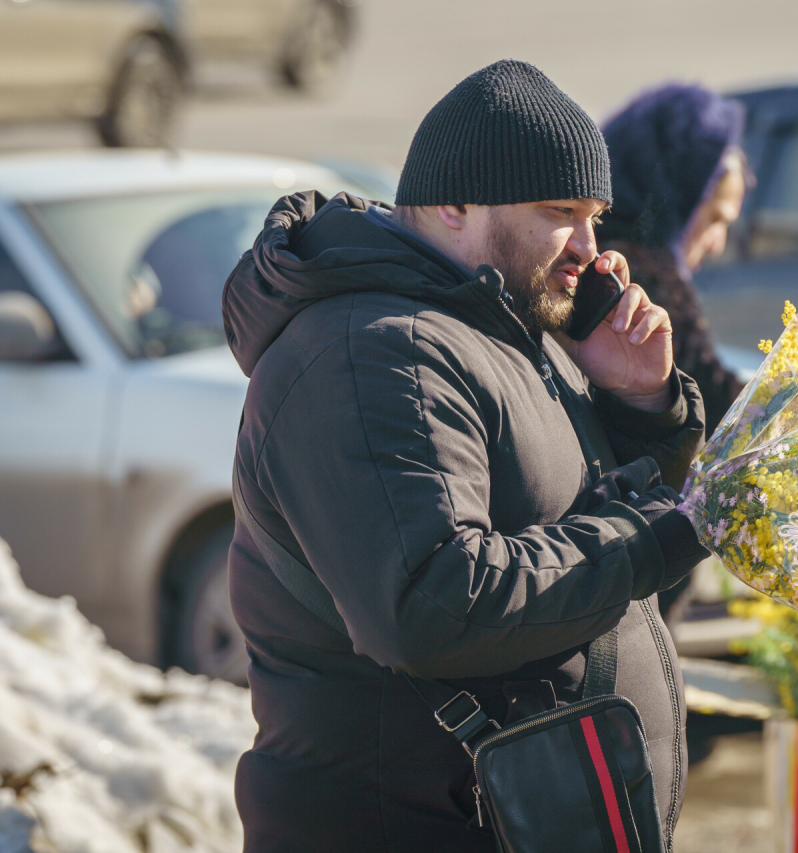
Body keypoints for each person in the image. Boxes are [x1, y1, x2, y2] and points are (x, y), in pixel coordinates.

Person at [222, 60, 708, 852]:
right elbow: (435, 604)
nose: (590, 246)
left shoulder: (501, 324)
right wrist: (656, 533)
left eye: (595, 215)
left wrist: (640, 403)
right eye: (561, 211)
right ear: (454, 204)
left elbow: (560, 513)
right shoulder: (375, 354)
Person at [598, 83, 752, 436]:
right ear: (678, 196)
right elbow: (722, 416)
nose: (717, 244)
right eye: (714, 219)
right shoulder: (641, 280)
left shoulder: (592, 252)